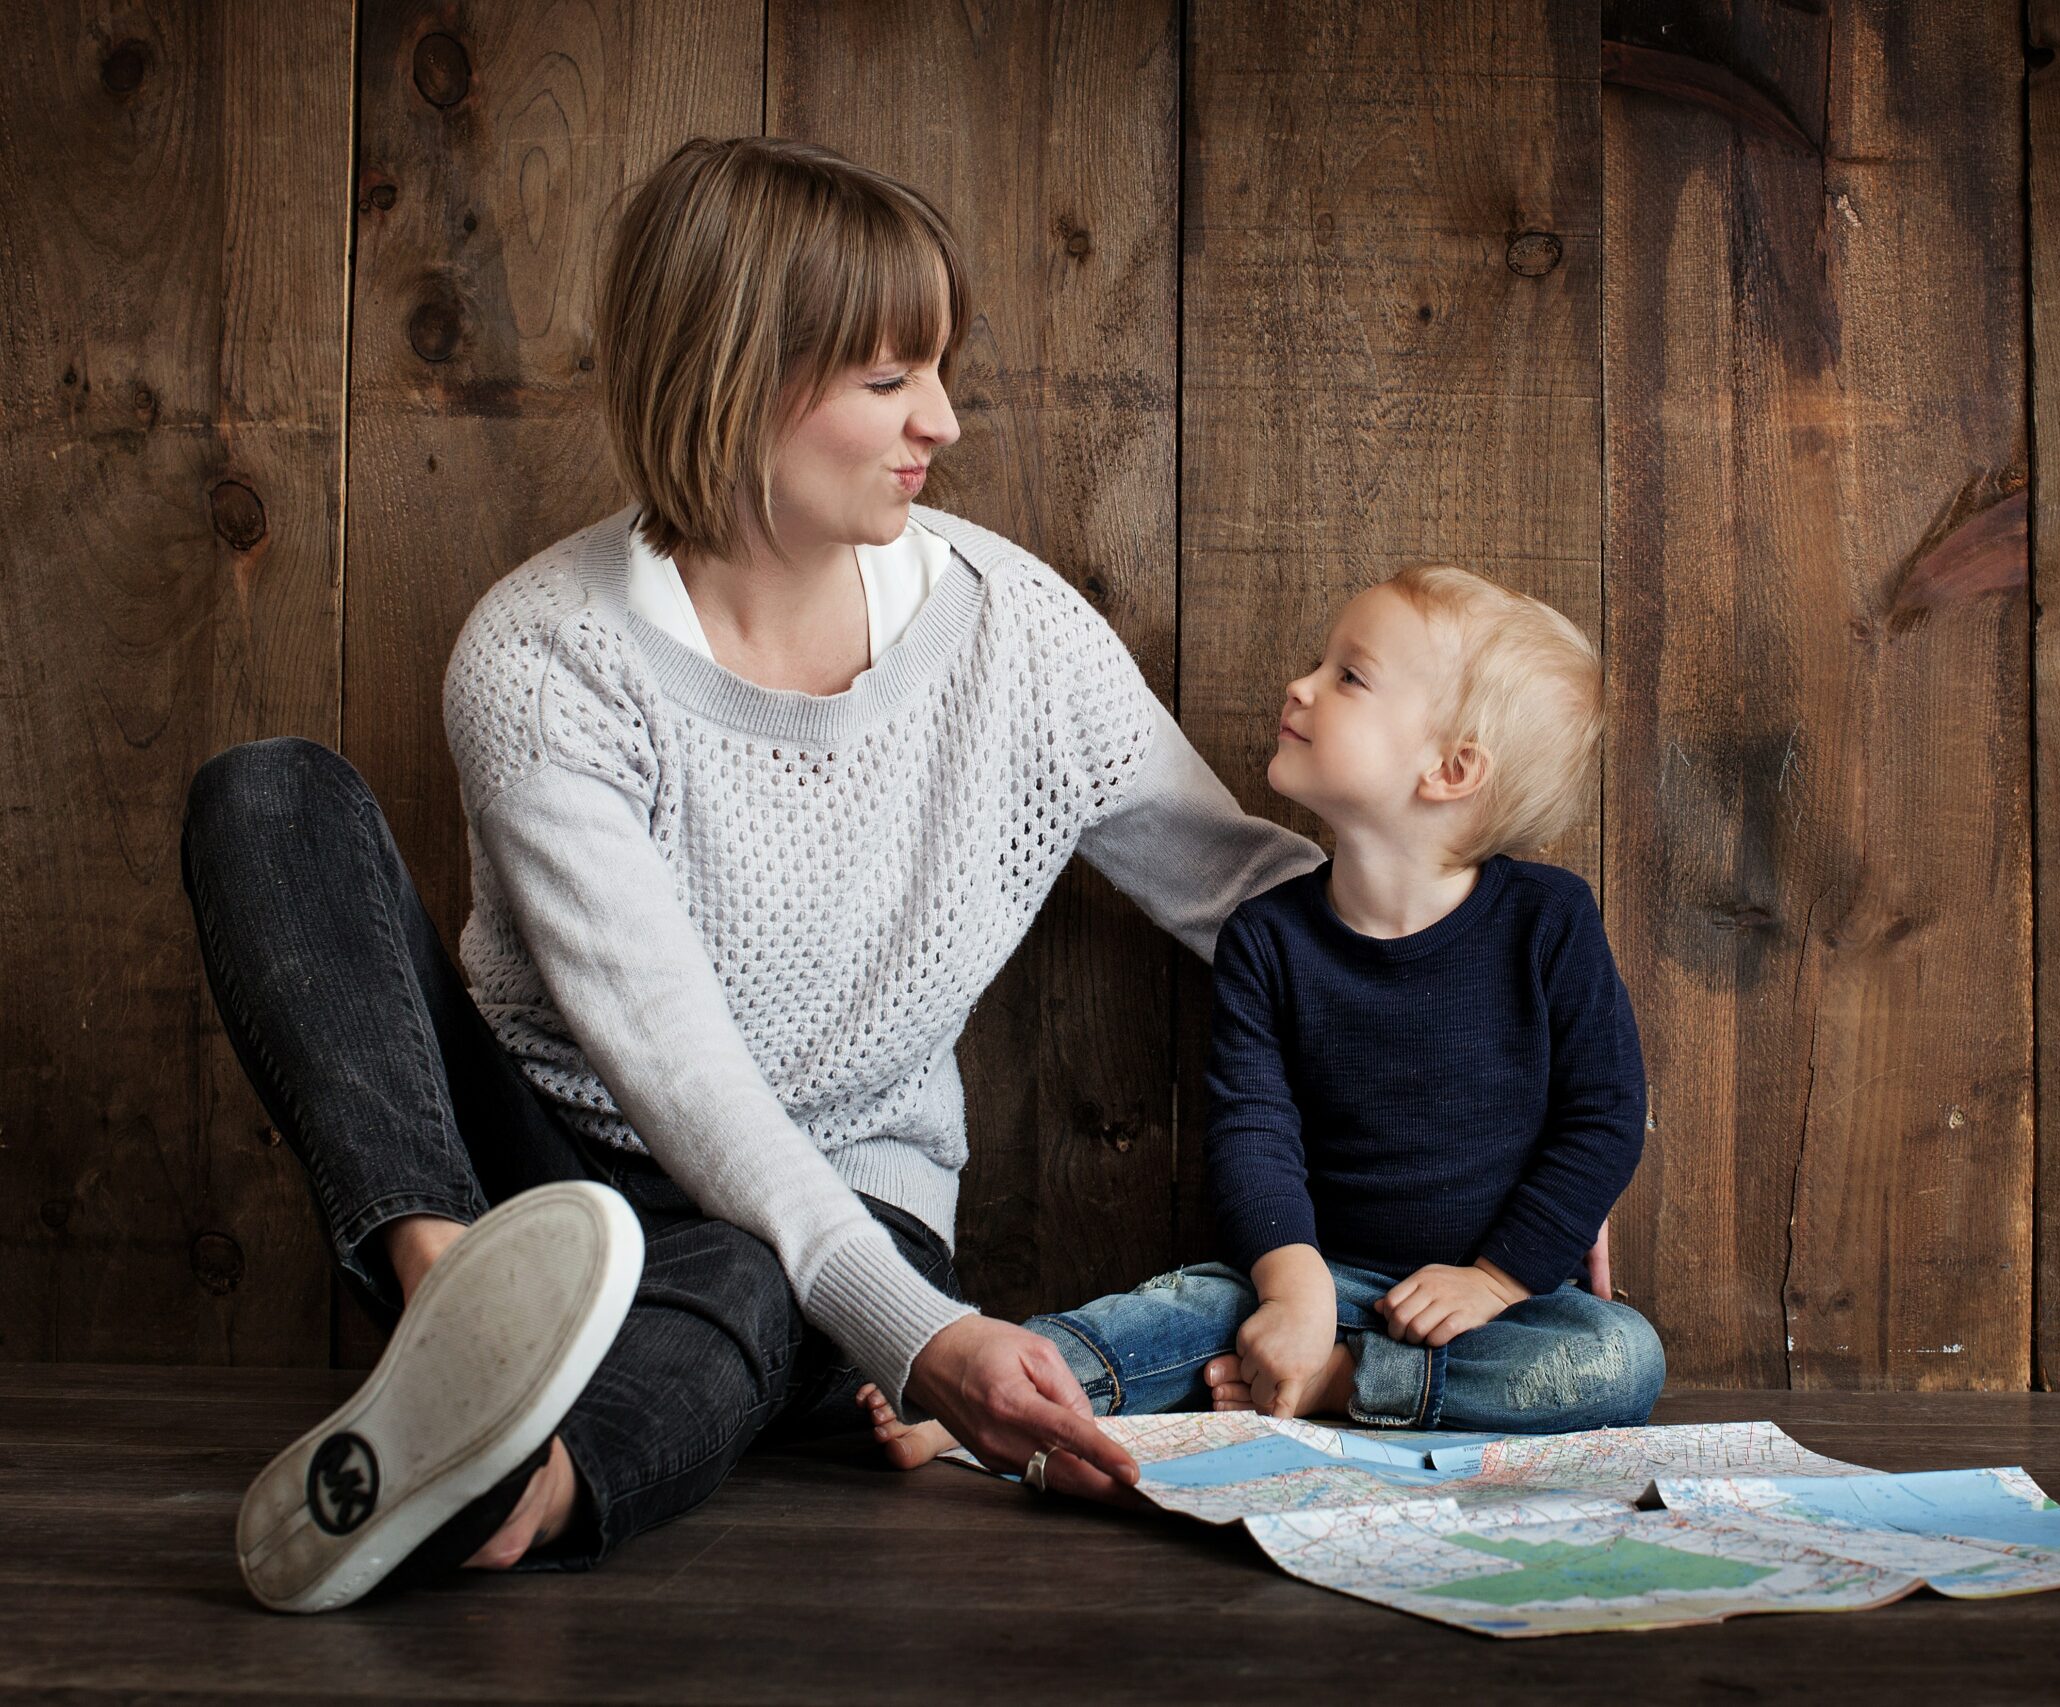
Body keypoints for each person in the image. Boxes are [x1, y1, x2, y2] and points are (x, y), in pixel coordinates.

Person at [179, 135, 1325, 1613]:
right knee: (268, 793)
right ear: (740, 374)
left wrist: (1511, 1059)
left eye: (938, 369)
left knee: (737, 1271)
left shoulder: (1014, 635)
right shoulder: (545, 656)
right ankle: (456, 1309)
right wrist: (923, 1342)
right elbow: (676, 1064)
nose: (945, 420)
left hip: (838, 1202)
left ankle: (517, 1481)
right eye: (889, 378)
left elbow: (1249, 895)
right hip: (532, 1169)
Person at [864, 564, 1662, 1469]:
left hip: (1487, 1309)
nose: (1302, 684)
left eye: (1348, 676)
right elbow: (1254, 1130)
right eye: (1321, 663)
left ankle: (1345, 1384)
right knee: (1176, 1311)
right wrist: (1291, 1287)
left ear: (1451, 769)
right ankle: (988, 1398)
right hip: (1314, 1271)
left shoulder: (1548, 922)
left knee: (1619, 1358)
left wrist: (1498, 1277)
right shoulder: (1270, 939)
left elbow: (1602, 1116)